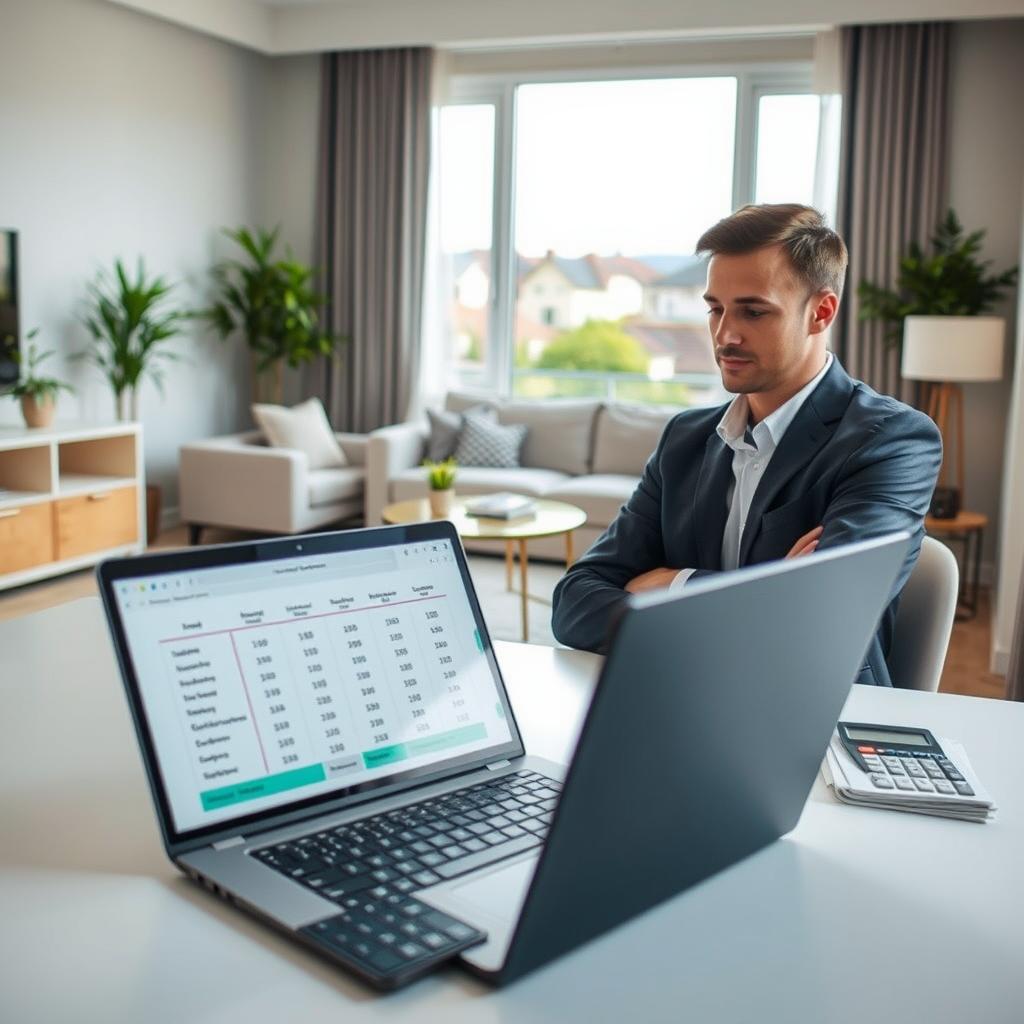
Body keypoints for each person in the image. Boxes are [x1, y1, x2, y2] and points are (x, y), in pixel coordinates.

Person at [551, 204, 942, 686]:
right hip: (680, 696)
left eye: (754, 311)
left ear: (821, 312)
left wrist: (673, 584)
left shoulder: (893, 440)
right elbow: (574, 603)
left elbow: (821, 620)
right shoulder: (684, 440)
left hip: (817, 712)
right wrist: (771, 593)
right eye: (716, 308)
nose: (725, 334)